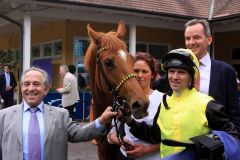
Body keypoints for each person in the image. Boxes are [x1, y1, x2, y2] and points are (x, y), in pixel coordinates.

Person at [126, 49, 240, 159]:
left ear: (191, 76)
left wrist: (202, 147)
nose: (175, 77)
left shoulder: (207, 104)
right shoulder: (164, 102)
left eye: (181, 72)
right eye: (171, 71)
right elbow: (155, 136)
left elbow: (231, 137)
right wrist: (129, 121)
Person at [0, 67, 117, 160]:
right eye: (26, 84)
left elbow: (78, 133)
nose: (30, 88)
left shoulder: (61, 115)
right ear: (21, 88)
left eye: (36, 84)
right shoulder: (3, 116)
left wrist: (101, 120)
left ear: (45, 90)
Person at [184, 19, 240, 133]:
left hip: (215, 142)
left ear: (209, 40)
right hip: (183, 139)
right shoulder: (177, 71)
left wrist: (234, 141)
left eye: (196, 37)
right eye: (187, 38)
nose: (191, 42)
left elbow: (235, 113)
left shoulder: (225, 71)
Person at [107, 52, 163, 160]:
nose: (140, 75)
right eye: (136, 71)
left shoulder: (163, 99)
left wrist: (146, 150)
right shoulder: (123, 99)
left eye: (144, 71)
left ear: (153, 74)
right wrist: (121, 142)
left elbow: (168, 139)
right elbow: (111, 134)